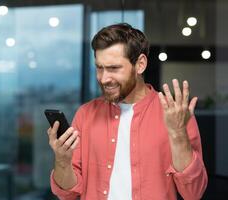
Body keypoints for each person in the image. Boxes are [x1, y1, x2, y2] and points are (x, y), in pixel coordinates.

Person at [47, 23, 207, 200]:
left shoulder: (175, 114)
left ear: (140, 64)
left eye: (114, 68)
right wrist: (62, 160)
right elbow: (67, 194)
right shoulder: (85, 114)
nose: (104, 78)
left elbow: (193, 193)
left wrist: (177, 134)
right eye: (99, 68)